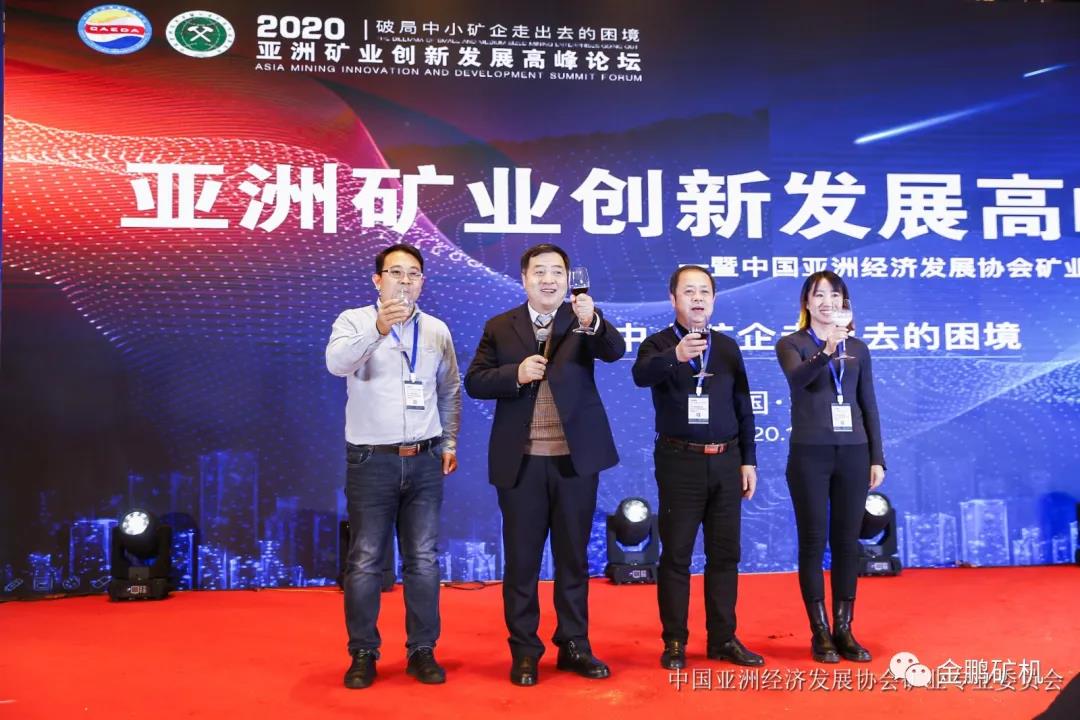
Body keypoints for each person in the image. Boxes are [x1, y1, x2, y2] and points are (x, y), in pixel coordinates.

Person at [464, 243, 625, 686]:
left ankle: (575, 645)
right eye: (540, 271)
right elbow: (475, 381)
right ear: (524, 279)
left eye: (557, 271)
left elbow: (615, 349)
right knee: (522, 563)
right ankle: (525, 651)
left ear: (567, 279)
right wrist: (514, 374)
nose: (549, 279)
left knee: (573, 560)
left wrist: (593, 320)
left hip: (575, 461)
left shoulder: (582, 319)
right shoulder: (500, 326)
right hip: (522, 464)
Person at [325, 243, 461, 689]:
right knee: (365, 560)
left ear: (423, 281)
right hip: (371, 460)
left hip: (424, 458)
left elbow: (449, 389)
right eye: (396, 272)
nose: (405, 281)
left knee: (423, 559)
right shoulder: (353, 320)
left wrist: (449, 441)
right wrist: (379, 328)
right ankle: (363, 652)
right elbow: (337, 364)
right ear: (377, 280)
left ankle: (422, 650)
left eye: (413, 273)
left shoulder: (436, 329)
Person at [632, 265, 763, 671]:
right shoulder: (657, 345)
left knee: (725, 555)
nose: (698, 299)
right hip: (680, 461)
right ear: (673, 299)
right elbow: (641, 376)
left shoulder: (726, 347)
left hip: (726, 461)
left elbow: (743, 407)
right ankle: (674, 641)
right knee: (677, 555)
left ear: (714, 299)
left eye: (704, 291)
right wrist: (675, 357)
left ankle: (723, 639)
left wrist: (748, 460)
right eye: (688, 292)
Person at [775, 270, 885, 664]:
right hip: (810, 454)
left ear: (844, 302)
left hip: (854, 452)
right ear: (806, 302)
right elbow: (799, 380)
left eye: (834, 295)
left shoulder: (858, 349)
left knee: (846, 542)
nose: (827, 302)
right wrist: (826, 349)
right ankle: (819, 631)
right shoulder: (791, 343)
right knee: (812, 540)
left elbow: (868, 404)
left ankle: (844, 628)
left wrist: (877, 457)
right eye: (818, 295)